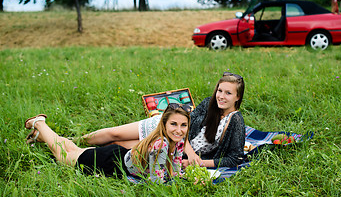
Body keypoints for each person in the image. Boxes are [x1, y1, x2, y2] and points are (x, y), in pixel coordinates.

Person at [79, 72, 246, 169]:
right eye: (220, 91)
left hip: (172, 141)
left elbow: (235, 158)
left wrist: (198, 162)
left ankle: (76, 152)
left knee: (120, 147)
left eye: (228, 93)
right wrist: (193, 154)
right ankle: (76, 141)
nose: (221, 96)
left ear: (237, 97)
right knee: (114, 133)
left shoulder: (235, 121)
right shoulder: (209, 103)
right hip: (167, 126)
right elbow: (186, 124)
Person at [24, 103, 191, 183]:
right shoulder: (160, 144)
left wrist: (182, 177)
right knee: (63, 155)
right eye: (173, 124)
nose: (179, 130)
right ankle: (39, 123)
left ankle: (40, 135)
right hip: (110, 163)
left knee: (72, 149)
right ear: (164, 124)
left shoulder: (177, 141)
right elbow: (157, 182)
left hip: (117, 155)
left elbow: (174, 169)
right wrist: (188, 183)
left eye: (183, 125)